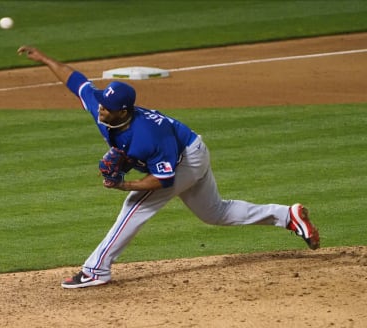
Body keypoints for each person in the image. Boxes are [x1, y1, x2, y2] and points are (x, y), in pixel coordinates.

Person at [17, 46, 320, 289]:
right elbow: (76, 81)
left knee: (135, 206)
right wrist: (43, 58)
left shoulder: (148, 136)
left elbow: (162, 180)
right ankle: (286, 215)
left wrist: (124, 185)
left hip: (187, 158)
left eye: (106, 108)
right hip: (191, 146)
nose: (99, 109)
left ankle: (96, 269)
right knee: (216, 213)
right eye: (101, 104)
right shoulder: (102, 105)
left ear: (123, 111)